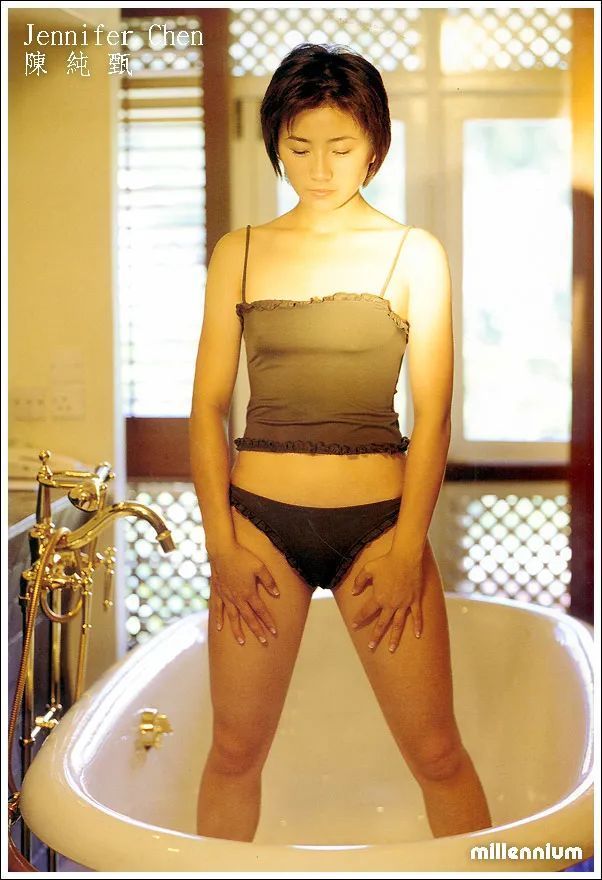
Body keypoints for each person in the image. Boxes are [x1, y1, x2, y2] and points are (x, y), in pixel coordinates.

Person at [189, 42, 492, 842]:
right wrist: (220, 543)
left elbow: (434, 414)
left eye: (341, 147)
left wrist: (408, 548)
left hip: (380, 530)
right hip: (258, 526)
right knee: (233, 751)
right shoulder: (238, 252)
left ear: (375, 145)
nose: (319, 168)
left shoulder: (414, 253)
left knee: (437, 753)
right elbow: (207, 407)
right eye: (298, 148)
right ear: (275, 144)